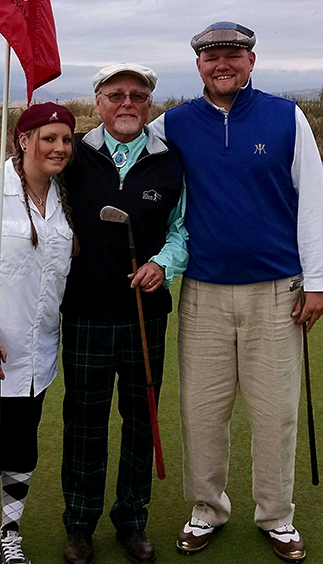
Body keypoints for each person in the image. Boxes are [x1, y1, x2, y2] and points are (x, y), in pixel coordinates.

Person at [149, 22, 323, 562]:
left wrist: (318, 283)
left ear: (251, 61)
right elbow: (117, 149)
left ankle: (276, 516)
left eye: (233, 55)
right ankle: (207, 508)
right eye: (211, 57)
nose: (222, 64)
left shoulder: (286, 116)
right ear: (198, 65)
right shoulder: (173, 124)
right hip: (203, 291)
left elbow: (313, 203)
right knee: (203, 410)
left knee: (276, 412)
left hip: (277, 291)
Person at [61, 62, 188, 564]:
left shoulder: (170, 160)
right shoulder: (74, 154)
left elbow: (182, 229)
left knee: (141, 420)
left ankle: (132, 521)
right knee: (85, 421)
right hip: (85, 312)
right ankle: (79, 524)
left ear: (151, 104)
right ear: (97, 103)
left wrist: (162, 263)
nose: (127, 103)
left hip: (144, 313)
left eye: (137, 94)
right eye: (115, 94)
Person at [0, 102, 76, 564]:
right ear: (23, 140)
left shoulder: (65, 198)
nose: (59, 148)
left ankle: (9, 529)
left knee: (23, 449)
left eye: (66, 139)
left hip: (38, 355)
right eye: (48, 138)